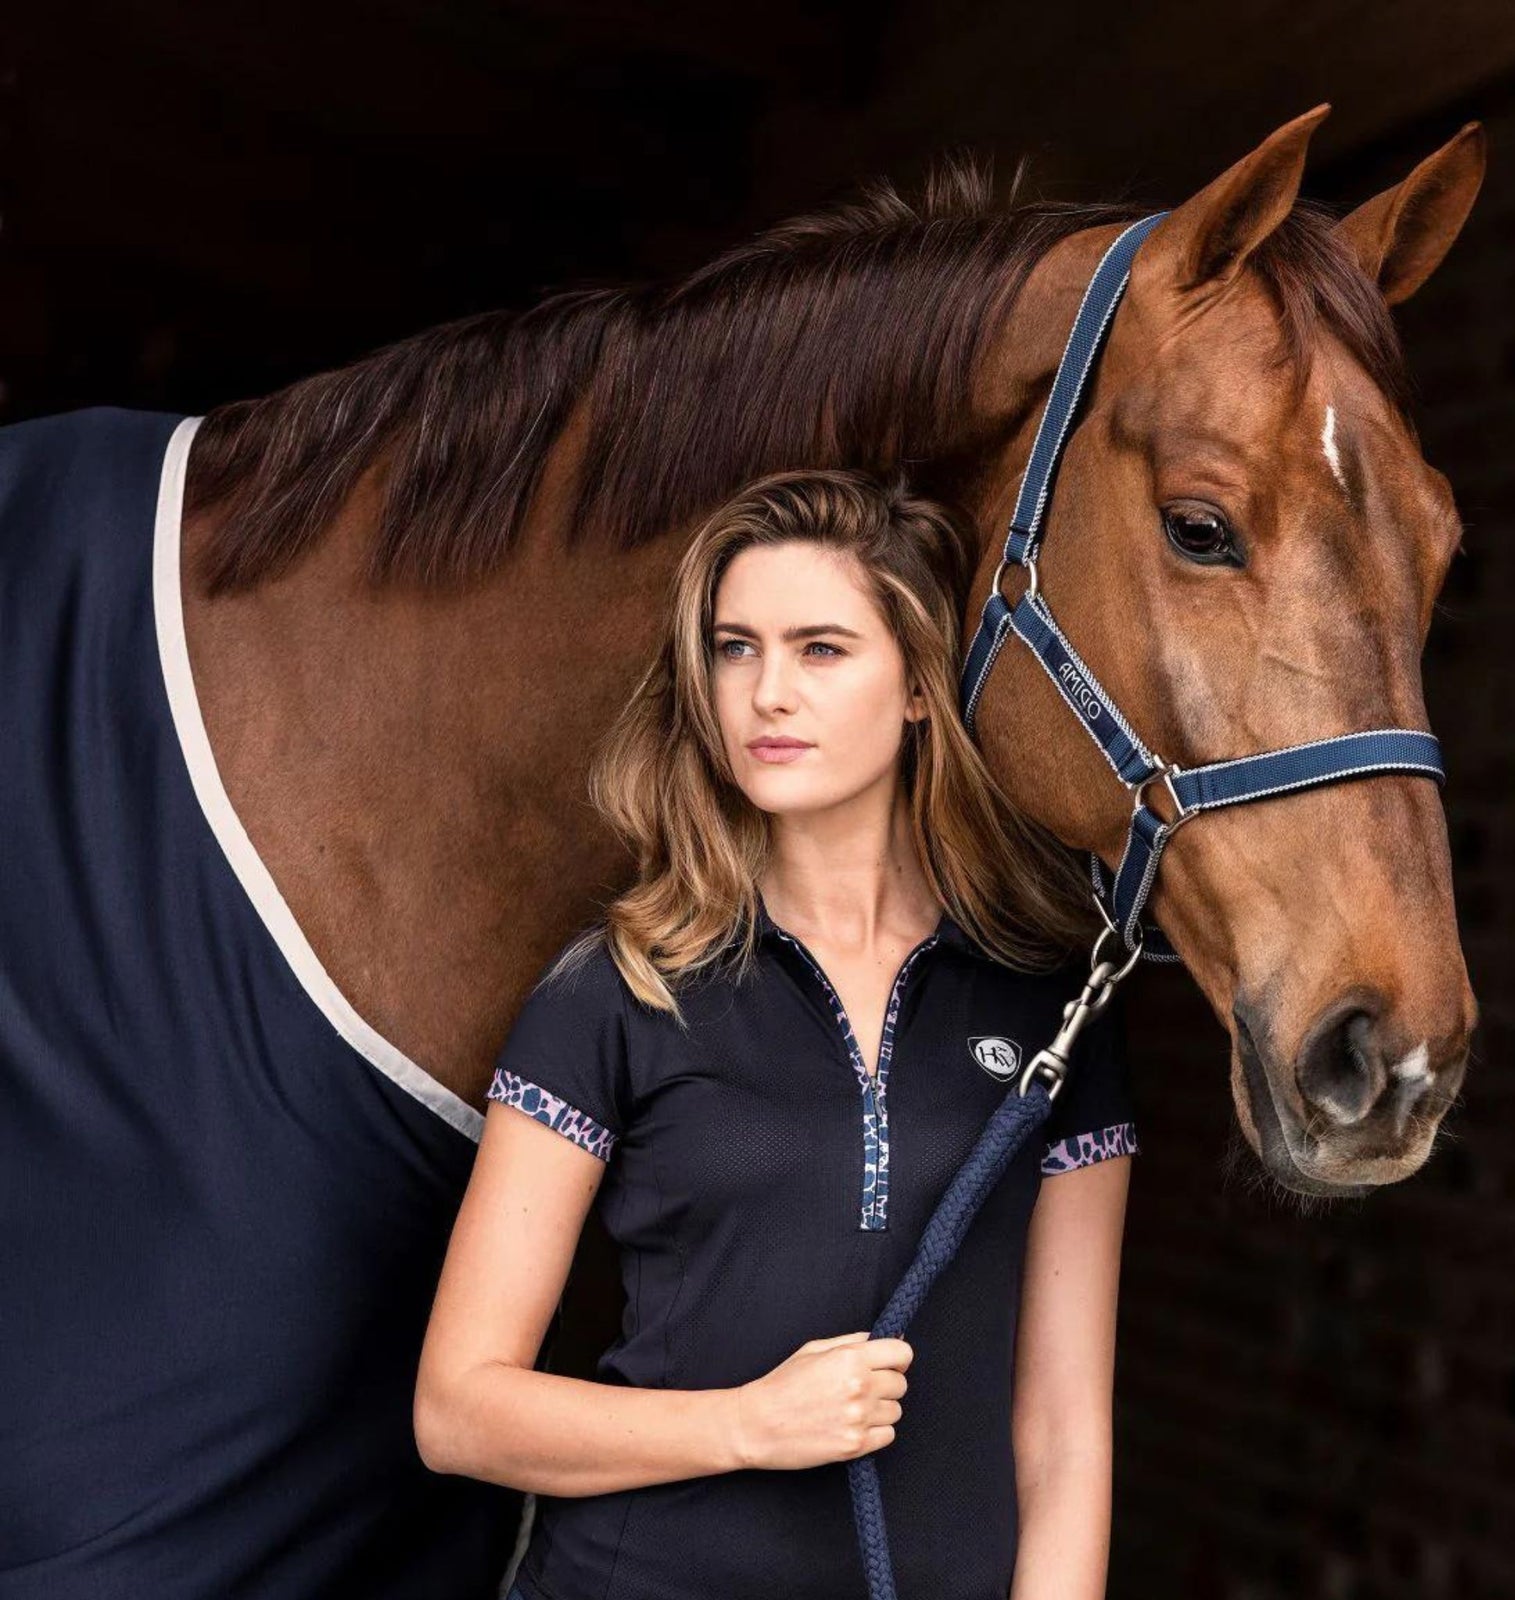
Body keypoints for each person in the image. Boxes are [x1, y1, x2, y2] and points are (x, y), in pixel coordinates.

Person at [414, 468, 1141, 1600]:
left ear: (918, 685)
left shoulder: (1047, 1007)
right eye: (734, 648)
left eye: (821, 650)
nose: (766, 694)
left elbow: (1062, 1434)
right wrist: (748, 1424)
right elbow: (458, 1410)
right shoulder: (616, 991)